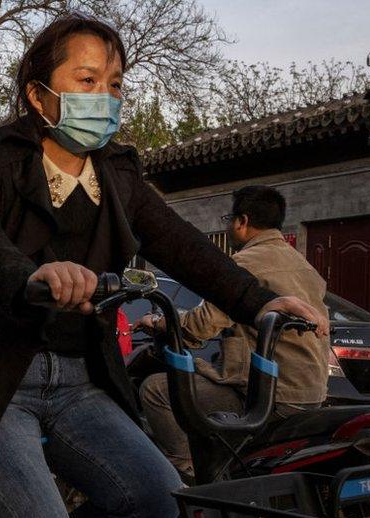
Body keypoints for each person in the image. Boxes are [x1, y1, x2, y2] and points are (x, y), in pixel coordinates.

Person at [0, 14, 329, 518]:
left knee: (155, 499)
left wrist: (262, 302)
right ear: (38, 95)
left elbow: (184, 247)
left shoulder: (118, 173)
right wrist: (34, 274)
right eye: (87, 81)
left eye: (115, 84)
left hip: (80, 380)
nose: (103, 97)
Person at [137, 186, 329, 483]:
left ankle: (185, 477)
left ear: (241, 221)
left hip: (269, 395)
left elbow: (200, 325)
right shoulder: (303, 265)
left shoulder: (244, 263)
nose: (228, 227)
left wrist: (158, 321)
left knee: (155, 390)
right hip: (310, 393)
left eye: (229, 219)